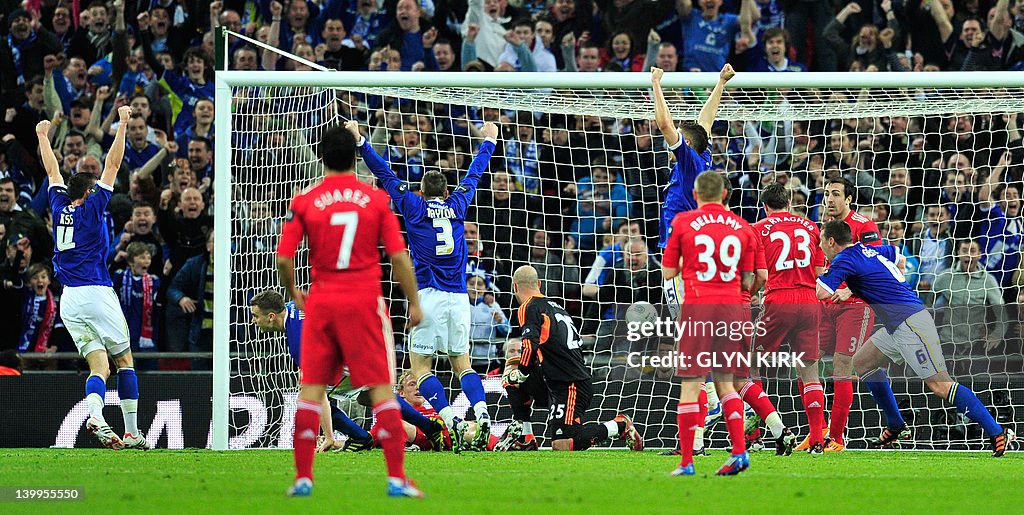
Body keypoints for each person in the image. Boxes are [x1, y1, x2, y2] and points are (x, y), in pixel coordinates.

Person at [276, 122, 424, 498]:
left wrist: (295, 291)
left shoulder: (305, 199)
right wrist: (414, 301)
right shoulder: (375, 199)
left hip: (323, 301)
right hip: (363, 301)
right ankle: (395, 478)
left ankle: (303, 477)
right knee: (380, 390)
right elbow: (399, 257)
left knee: (310, 390)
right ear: (354, 156)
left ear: (322, 156)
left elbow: (283, 256)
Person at [353, 119, 498, 452]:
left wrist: (362, 142)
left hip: (427, 295)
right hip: (461, 298)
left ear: (421, 190)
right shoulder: (459, 205)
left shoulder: (413, 205)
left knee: (420, 367)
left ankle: (449, 419)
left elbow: (385, 174)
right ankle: (482, 410)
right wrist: (489, 141)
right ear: (447, 192)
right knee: (462, 363)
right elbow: (474, 174)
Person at [816, 220, 1014, 457]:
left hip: (910, 324)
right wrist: (855, 288)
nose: (820, 246)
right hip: (897, 323)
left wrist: (838, 282)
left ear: (831, 241)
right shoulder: (867, 249)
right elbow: (898, 256)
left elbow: (822, 292)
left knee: (940, 386)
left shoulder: (844, 259)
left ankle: (997, 431)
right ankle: (896, 424)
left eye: (821, 241)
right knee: (862, 363)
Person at [37, 108, 150, 450]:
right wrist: (125, 123)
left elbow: (51, 169)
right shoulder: (90, 207)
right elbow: (113, 166)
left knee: (98, 364)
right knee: (124, 361)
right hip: (96, 291)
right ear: (88, 194)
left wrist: (43, 135)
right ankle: (131, 432)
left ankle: (97, 416)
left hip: (69, 299)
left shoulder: (58, 206)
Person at [249, 289, 446, 453]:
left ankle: (360, 437)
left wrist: (329, 436)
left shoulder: (298, 338)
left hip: (352, 353)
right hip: (362, 342)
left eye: (256, 316)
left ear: (271, 316)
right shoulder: (295, 306)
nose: (253, 321)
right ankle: (430, 428)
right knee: (370, 397)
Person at [662, 171, 756, 476]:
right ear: (725, 194)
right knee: (726, 383)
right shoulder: (743, 227)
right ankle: (739, 452)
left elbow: (667, 272)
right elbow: (750, 277)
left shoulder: (683, 222)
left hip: (699, 308)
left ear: (696, 194)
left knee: (691, 385)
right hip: (731, 309)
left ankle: (687, 461)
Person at [500, 265, 643, 452]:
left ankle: (619, 426)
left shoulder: (528, 306)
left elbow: (529, 345)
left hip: (570, 384)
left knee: (562, 445)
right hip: (554, 380)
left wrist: (523, 373)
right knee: (513, 370)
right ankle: (526, 437)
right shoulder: (556, 307)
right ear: (539, 284)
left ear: (515, 287)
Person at [797, 177, 880, 452]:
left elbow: (877, 264)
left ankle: (837, 437)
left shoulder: (864, 226)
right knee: (805, 359)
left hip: (854, 306)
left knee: (842, 367)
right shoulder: (823, 229)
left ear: (848, 199)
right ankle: (816, 432)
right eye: (826, 194)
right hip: (824, 306)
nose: (829, 199)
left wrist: (850, 290)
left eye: (835, 194)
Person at [651, 63, 735, 314]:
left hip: (680, 254)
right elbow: (705, 123)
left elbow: (665, 125)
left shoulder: (689, 162)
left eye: (678, 138)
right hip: (695, 249)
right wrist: (720, 83)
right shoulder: (702, 158)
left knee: (685, 326)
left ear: (685, 143)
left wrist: (656, 83)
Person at [750, 183, 827, 453]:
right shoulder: (810, 227)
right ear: (789, 203)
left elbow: (755, 272)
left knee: (749, 363)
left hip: (778, 299)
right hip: (809, 300)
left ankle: (756, 435)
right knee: (809, 371)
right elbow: (819, 268)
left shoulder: (758, 229)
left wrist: (751, 293)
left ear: (765, 206)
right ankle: (817, 440)